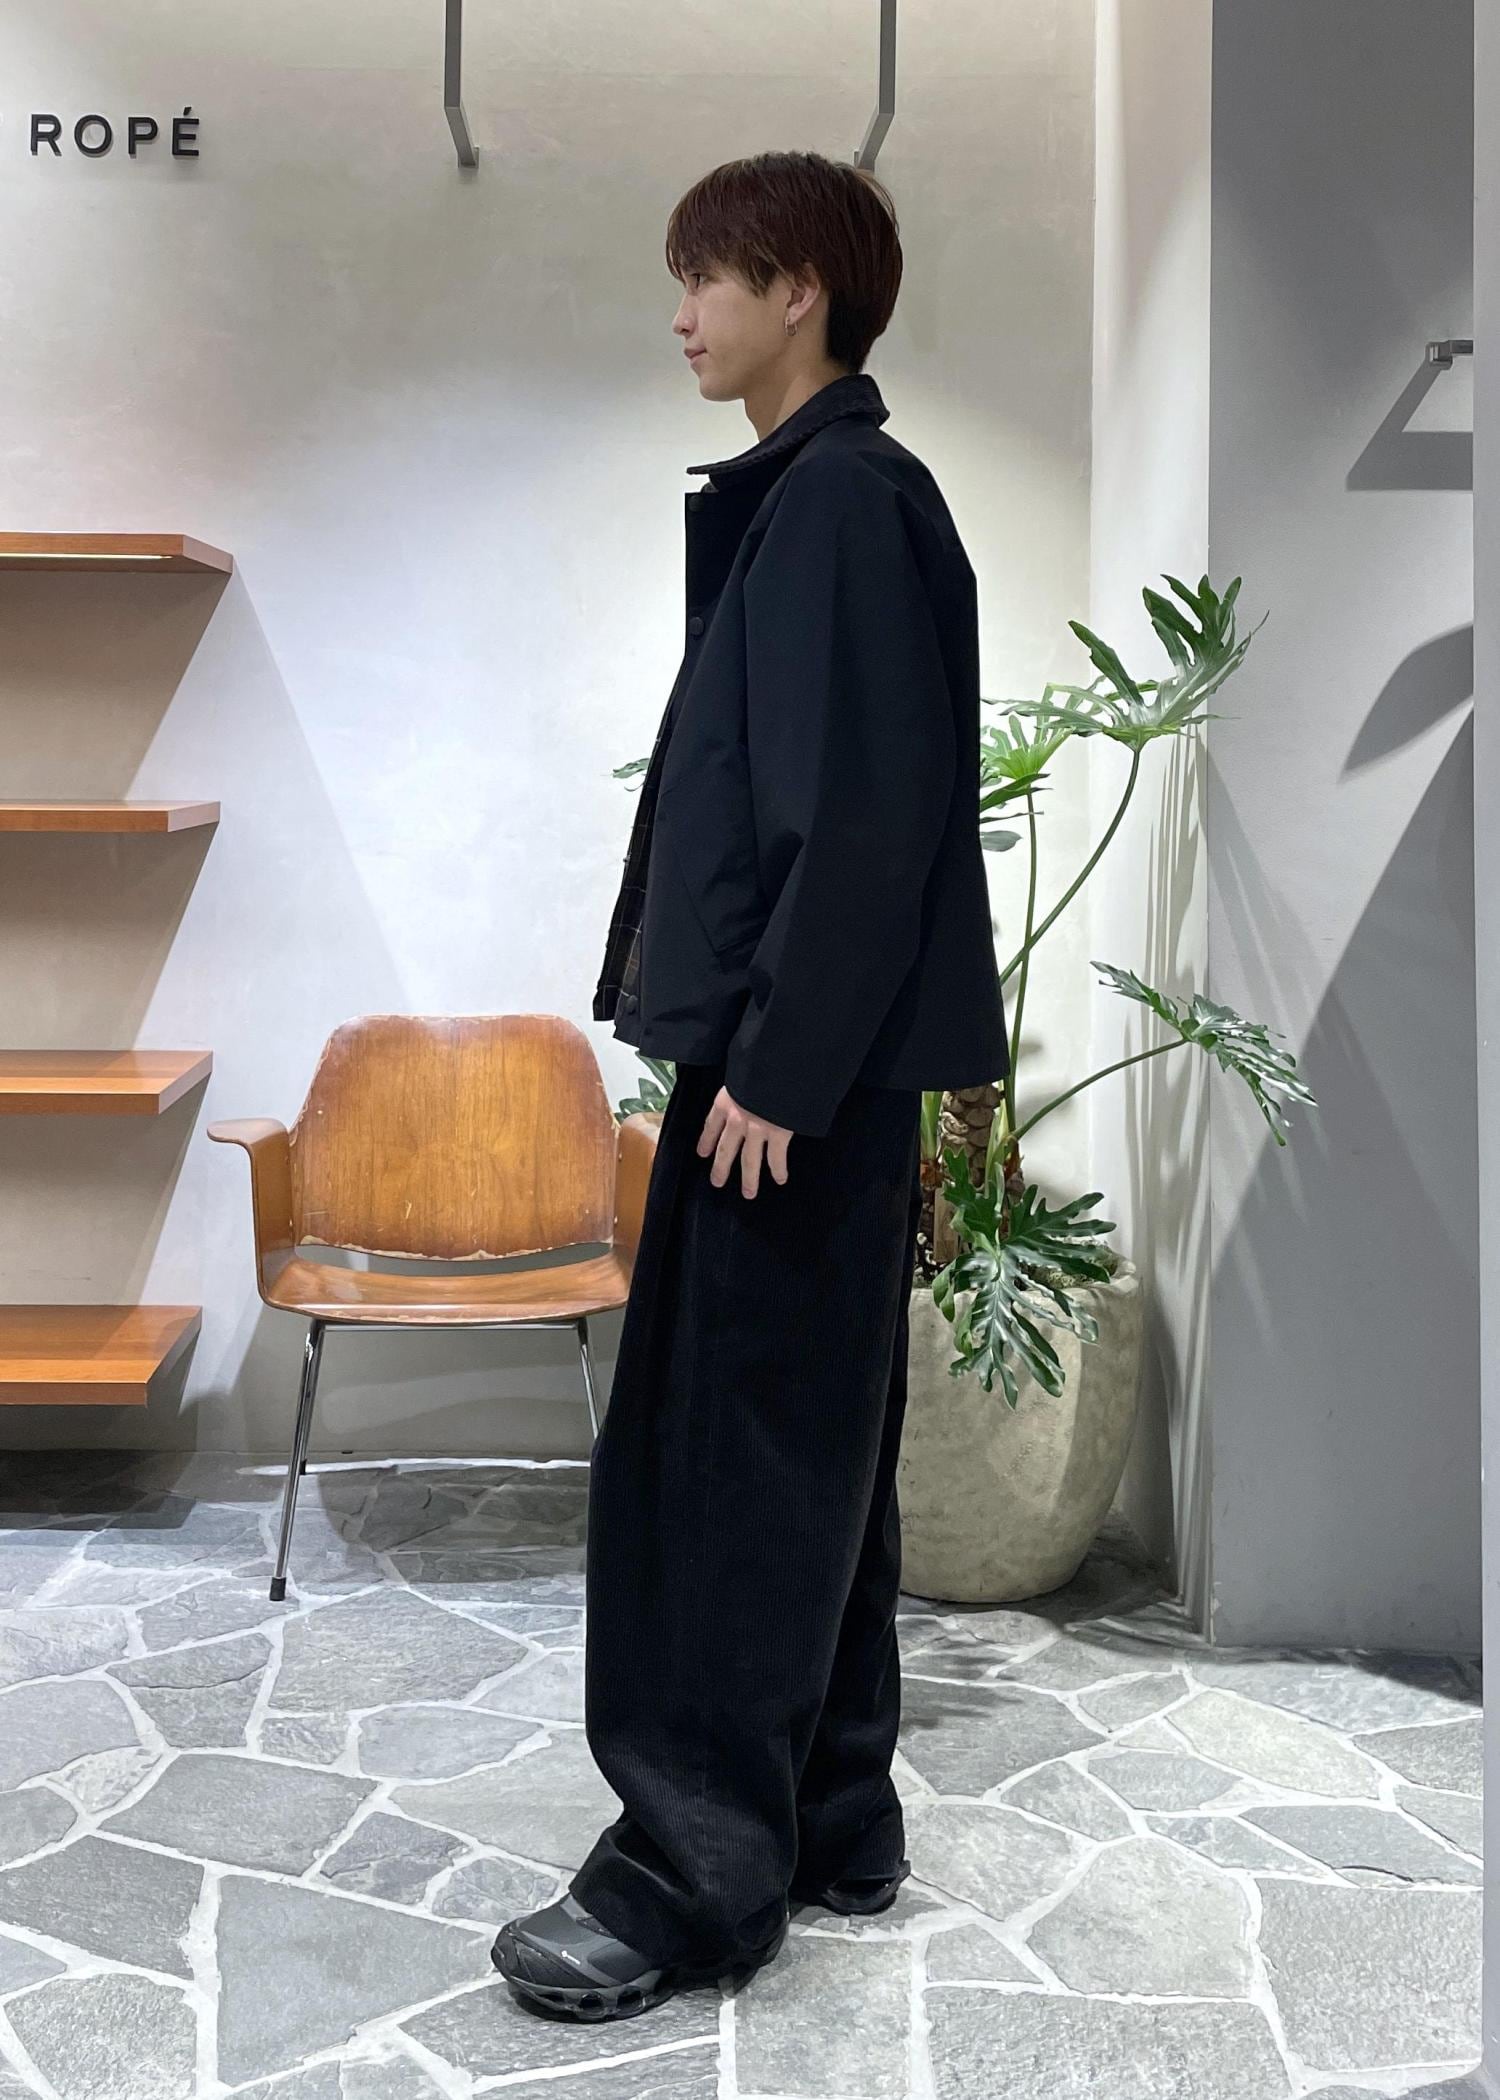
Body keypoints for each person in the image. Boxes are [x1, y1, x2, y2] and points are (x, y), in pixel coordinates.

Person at [491, 148, 1009, 2023]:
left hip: (793, 1077)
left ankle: (689, 1879)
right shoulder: (817, 500)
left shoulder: (845, 501)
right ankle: (831, 1818)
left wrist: (778, 1068)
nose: (683, 311)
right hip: (808, 1067)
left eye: (709, 274)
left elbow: (865, 815)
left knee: (720, 1478)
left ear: (803, 290)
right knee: (808, 1459)